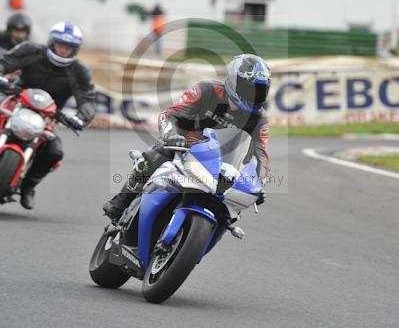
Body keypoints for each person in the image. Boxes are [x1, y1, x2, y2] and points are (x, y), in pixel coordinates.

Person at [103, 54, 271, 221]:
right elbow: (169, 115)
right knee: (155, 155)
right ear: (234, 81)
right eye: (249, 89)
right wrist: (171, 136)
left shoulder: (259, 118)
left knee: (231, 212)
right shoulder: (206, 90)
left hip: (222, 165)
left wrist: (258, 184)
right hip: (184, 148)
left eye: (260, 91)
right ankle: (122, 200)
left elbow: (262, 155)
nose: (253, 95)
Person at [0, 22, 96, 209]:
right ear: (52, 43)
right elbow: (5, 60)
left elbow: (87, 99)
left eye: (69, 47)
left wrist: (82, 117)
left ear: (75, 49)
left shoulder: (79, 71)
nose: (63, 50)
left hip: (48, 115)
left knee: (54, 151)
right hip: (16, 100)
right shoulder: (31, 50)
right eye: (60, 45)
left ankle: (28, 186)